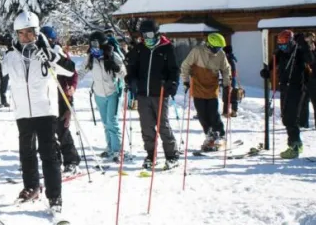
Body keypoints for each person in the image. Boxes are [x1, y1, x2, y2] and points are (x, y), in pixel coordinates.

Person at [0, 12, 72, 207]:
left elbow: (69, 69)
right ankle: (31, 187)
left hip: (45, 109)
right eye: (21, 33)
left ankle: (54, 195)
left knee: (49, 152)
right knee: (26, 152)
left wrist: (53, 56)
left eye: (30, 33)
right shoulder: (12, 55)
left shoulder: (48, 50)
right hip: (23, 111)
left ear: (36, 32)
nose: (26, 37)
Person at [125, 19, 180, 170]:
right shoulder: (139, 49)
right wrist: (130, 79)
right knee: (146, 127)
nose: (146, 38)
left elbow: (174, 70)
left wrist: (172, 83)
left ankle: (172, 155)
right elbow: (133, 68)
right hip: (143, 94)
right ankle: (151, 155)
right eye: (143, 35)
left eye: (149, 34)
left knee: (163, 125)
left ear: (156, 33)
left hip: (160, 93)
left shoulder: (167, 48)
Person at [261, 30, 315, 158]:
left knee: (290, 117)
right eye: (280, 45)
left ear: (291, 42)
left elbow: (310, 60)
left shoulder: (299, 51)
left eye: (285, 45)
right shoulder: (281, 52)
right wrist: (267, 71)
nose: (283, 48)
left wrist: (305, 45)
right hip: (285, 87)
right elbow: (274, 62)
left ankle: (294, 145)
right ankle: (296, 143)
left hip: (297, 87)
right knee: (286, 117)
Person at [180, 33, 232, 152]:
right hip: (198, 86)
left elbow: (226, 69)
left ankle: (220, 134)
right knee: (202, 114)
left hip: (212, 87)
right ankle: (209, 135)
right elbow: (185, 66)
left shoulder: (220, 54)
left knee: (213, 113)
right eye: (217, 48)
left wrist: (226, 83)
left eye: (220, 48)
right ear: (210, 45)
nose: (218, 50)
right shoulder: (197, 51)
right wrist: (186, 81)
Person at [41, 25, 80, 173]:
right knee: (48, 131)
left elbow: (73, 72)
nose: (47, 42)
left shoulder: (59, 52)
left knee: (62, 128)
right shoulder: (38, 53)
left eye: (49, 39)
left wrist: (72, 87)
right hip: (46, 96)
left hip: (62, 95)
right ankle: (54, 159)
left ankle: (71, 160)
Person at [82, 31, 126, 160]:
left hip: (113, 92)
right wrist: (72, 83)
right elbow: (81, 71)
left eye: (97, 44)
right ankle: (110, 147)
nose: (95, 47)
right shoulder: (91, 57)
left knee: (112, 121)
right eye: (92, 44)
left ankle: (117, 150)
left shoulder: (112, 55)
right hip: (99, 93)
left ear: (103, 44)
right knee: (106, 123)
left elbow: (124, 72)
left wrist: (116, 69)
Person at [222, 45, 239, 116]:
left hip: (228, 78)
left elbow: (226, 70)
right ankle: (234, 111)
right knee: (233, 94)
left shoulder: (228, 59)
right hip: (232, 78)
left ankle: (226, 112)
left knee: (226, 95)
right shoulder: (231, 58)